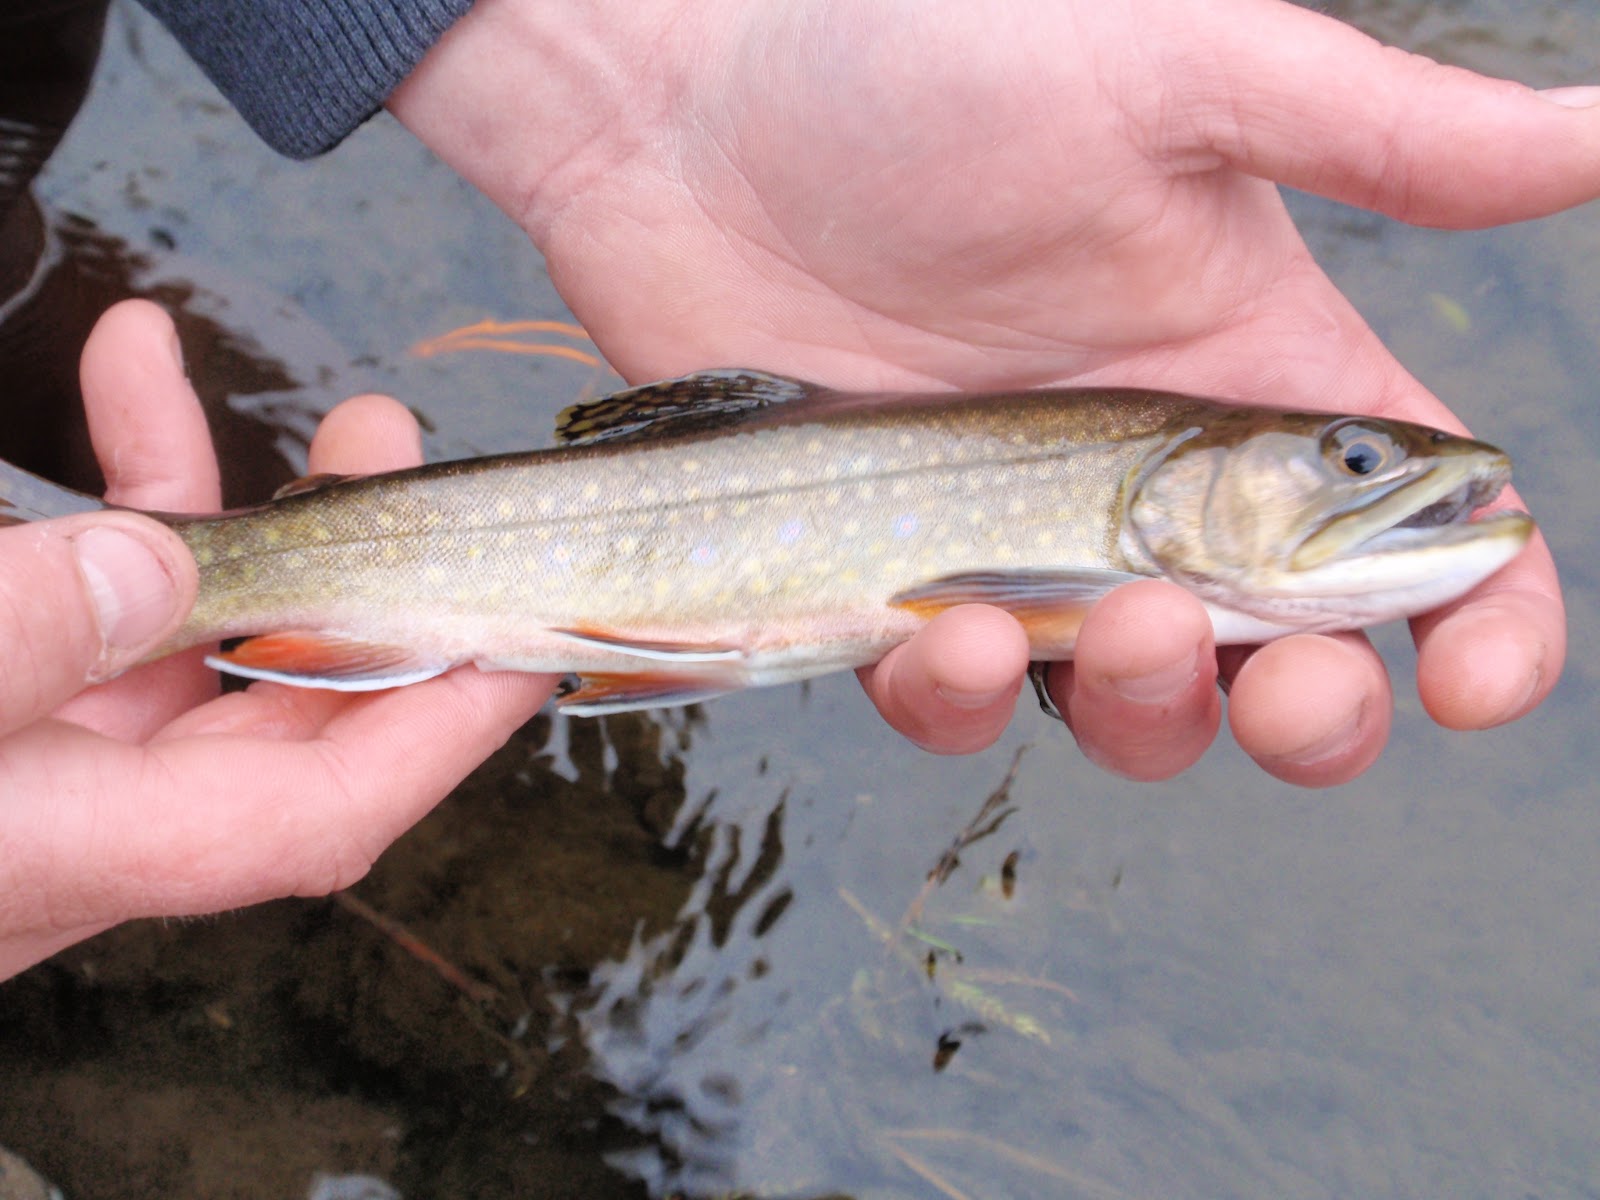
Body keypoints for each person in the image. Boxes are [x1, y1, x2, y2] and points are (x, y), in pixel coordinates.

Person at [1, 0, 1589, 980]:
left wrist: (637, 54)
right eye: (1359, 463)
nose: (1403, 478)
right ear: (1191, 478)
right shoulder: (1103, 546)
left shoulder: (1125, 528)